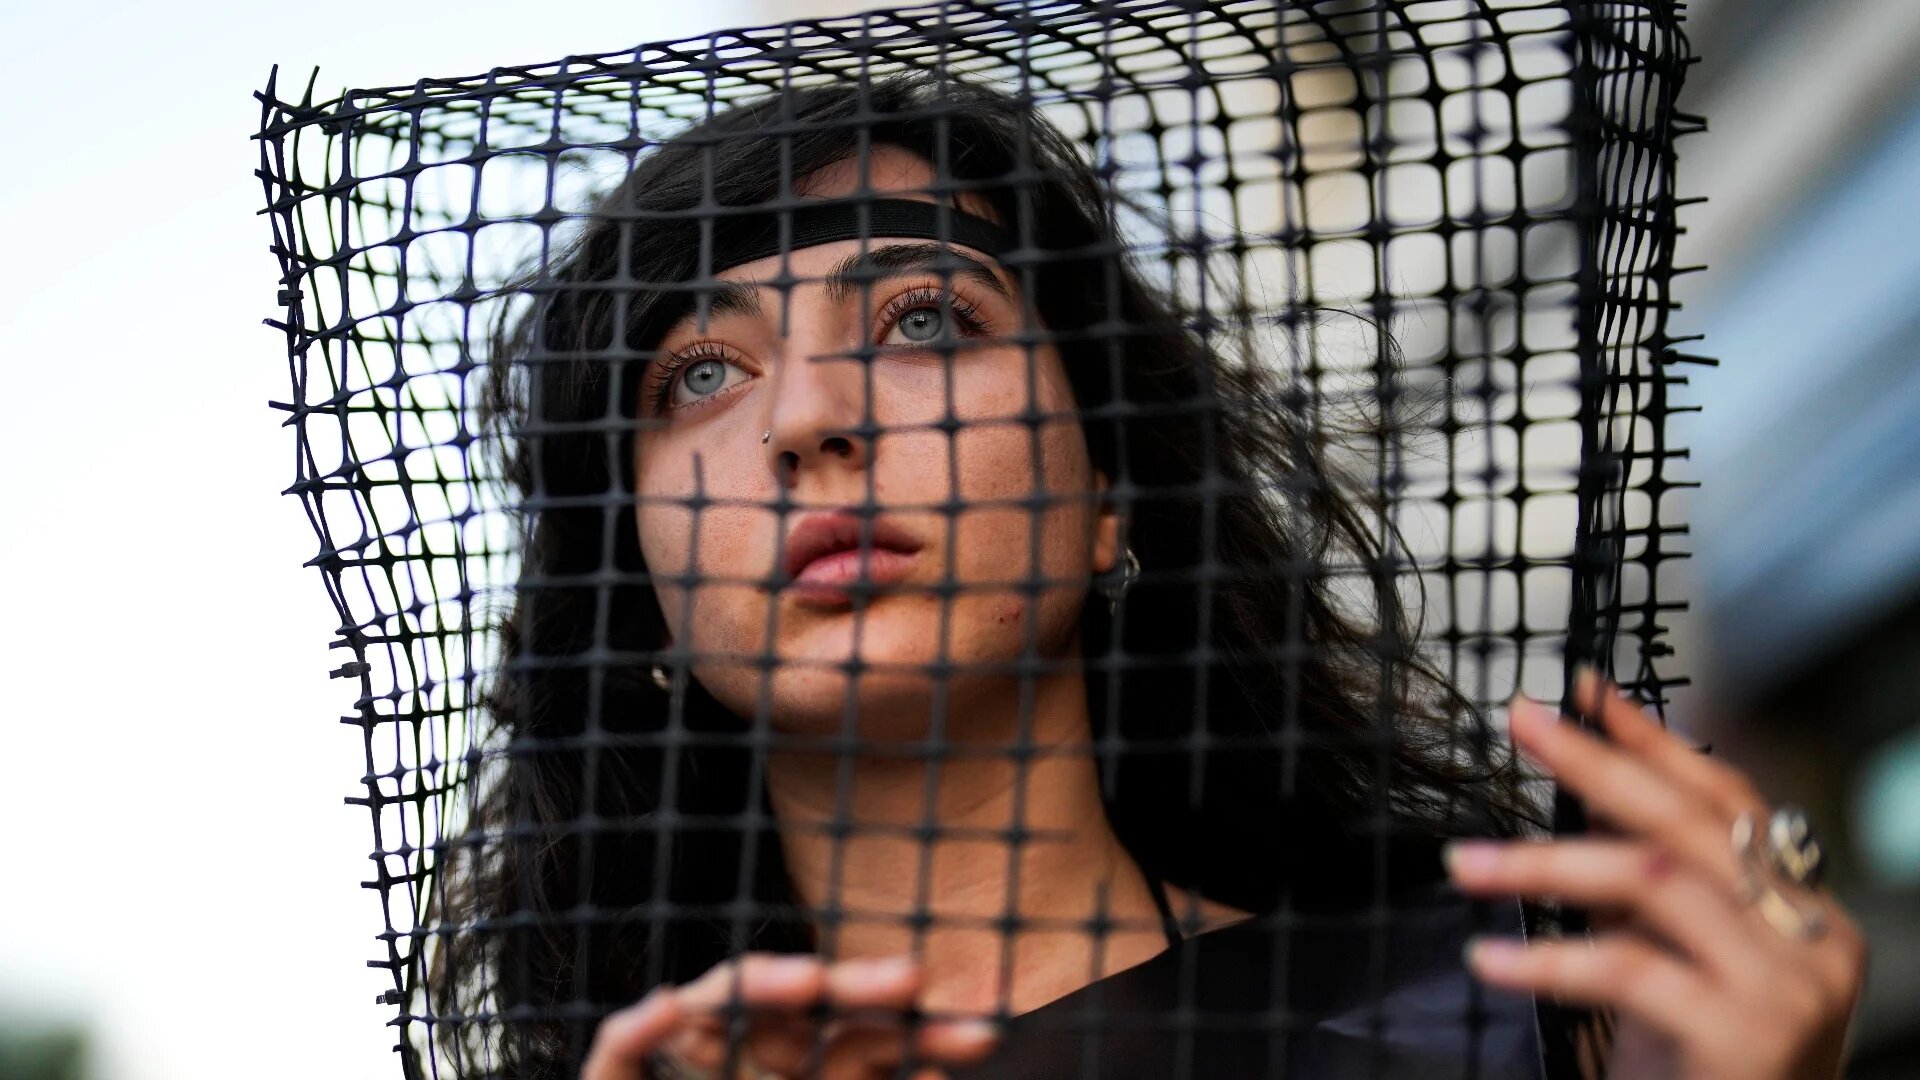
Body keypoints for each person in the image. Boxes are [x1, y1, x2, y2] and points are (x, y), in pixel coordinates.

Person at [431, 74, 1866, 1080]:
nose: (807, 418)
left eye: (929, 318)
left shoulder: (1523, 1004)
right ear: (640, 587)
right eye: (699, 373)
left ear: (1111, 492)